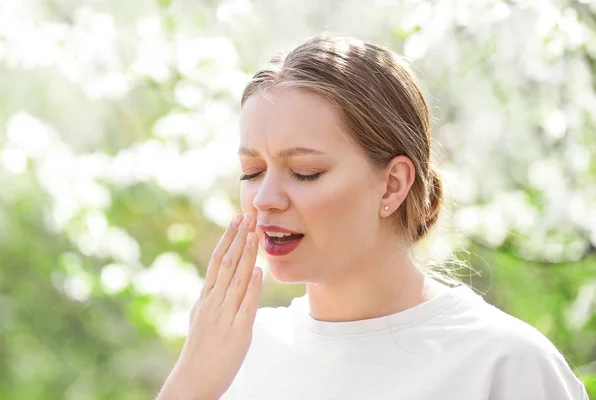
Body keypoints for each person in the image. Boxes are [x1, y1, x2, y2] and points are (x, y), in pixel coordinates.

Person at [156, 33, 589, 400]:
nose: (264, 199)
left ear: (393, 184)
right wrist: (191, 383)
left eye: (306, 172)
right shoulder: (236, 352)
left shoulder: (504, 365)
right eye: (251, 171)